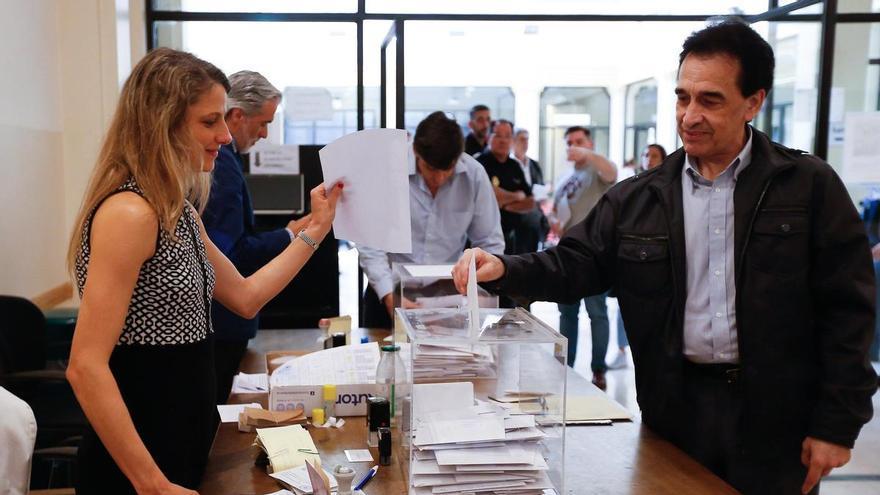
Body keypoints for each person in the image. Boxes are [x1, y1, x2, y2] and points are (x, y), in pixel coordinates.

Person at [452, 21, 877, 495]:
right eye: (682, 97)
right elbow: (574, 263)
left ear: (753, 102)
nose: (690, 115)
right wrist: (505, 268)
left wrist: (837, 422)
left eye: (710, 100)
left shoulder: (808, 186)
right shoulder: (639, 198)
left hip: (776, 420)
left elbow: (849, 307)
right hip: (675, 414)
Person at [65, 48, 341, 494]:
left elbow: (247, 296)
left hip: (182, 439)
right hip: (141, 455)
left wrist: (317, 227)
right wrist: (151, 483)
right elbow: (85, 366)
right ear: (162, 124)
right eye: (209, 122)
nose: (226, 137)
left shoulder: (177, 211)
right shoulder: (130, 214)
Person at [201, 71, 310, 405]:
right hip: (222, 321)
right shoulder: (223, 166)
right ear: (237, 116)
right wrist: (291, 235)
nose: (265, 134)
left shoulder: (226, 162)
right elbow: (232, 254)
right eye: (263, 123)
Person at [359, 111, 505, 328]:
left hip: (450, 295)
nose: (439, 178)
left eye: (447, 171)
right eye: (431, 169)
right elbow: (370, 241)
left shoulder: (474, 175)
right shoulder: (387, 170)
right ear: (416, 150)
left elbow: (489, 242)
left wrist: (478, 292)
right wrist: (389, 294)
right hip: (388, 289)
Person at [549, 126, 617, 388]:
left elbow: (611, 171)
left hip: (595, 253)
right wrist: (554, 220)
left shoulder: (598, 170)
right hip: (567, 250)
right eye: (569, 142)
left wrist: (589, 153)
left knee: (597, 312)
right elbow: (556, 208)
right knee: (567, 313)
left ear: (589, 143)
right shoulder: (566, 176)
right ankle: (567, 368)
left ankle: (598, 368)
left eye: (579, 141)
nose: (573, 146)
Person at [608, 142, 667, 370]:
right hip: (631, 256)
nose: (649, 159)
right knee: (625, 306)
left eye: (654, 155)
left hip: (657, 258)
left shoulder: (668, 188)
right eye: (645, 154)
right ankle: (622, 350)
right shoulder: (630, 187)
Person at [477, 119, 535, 255]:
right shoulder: (479, 164)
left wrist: (505, 205)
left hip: (513, 238)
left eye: (507, 136)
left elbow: (530, 202)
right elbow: (490, 195)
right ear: (488, 137)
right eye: (497, 135)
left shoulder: (515, 166)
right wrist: (516, 196)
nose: (503, 140)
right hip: (485, 240)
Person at [513, 128, 549, 252]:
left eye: (527, 139)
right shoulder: (509, 165)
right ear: (513, 141)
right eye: (522, 139)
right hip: (516, 223)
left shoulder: (534, 164)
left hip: (535, 220)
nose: (525, 143)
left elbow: (540, 185)